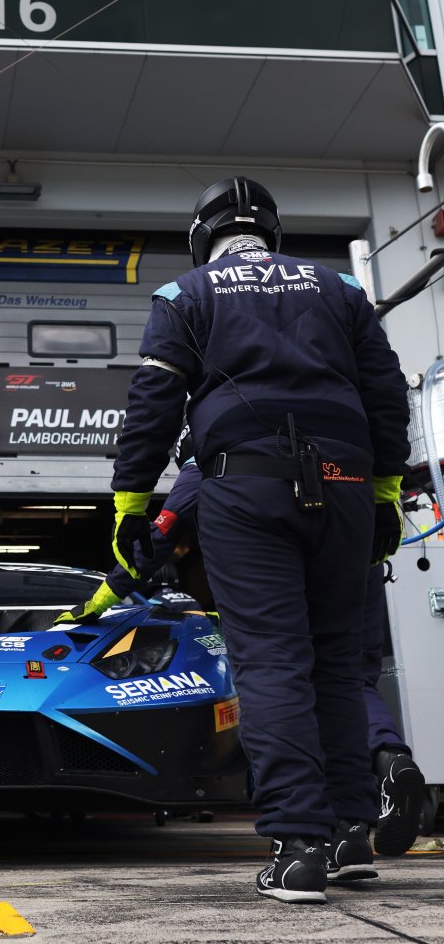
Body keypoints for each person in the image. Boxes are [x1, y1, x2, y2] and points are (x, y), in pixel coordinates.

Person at [104, 177, 411, 903]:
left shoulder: (185, 294)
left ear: (200, 236)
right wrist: (386, 491)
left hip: (245, 486)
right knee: (338, 666)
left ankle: (297, 845)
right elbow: (386, 391)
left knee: (272, 661)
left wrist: (131, 503)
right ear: (271, 231)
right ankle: (350, 832)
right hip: (345, 484)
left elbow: (154, 400)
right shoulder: (340, 288)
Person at [60, 448, 426, 857]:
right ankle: (383, 772)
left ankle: (303, 837)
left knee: (280, 681)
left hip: (281, 565)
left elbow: (161, 533)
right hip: (358, 551)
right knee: (349, 683)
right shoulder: (336, 430)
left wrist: (103, 597)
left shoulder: (217, 450)